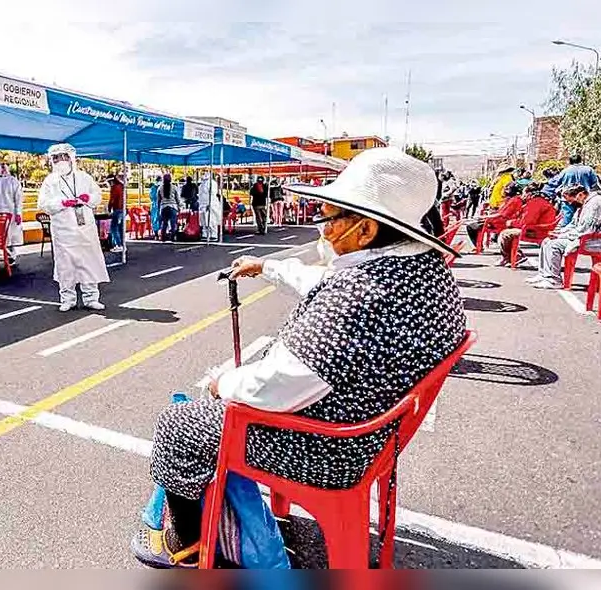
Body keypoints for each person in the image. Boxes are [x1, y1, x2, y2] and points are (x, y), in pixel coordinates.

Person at [132, 147, 466, 568]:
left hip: (327, 445)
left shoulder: (360, 295)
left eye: (330, 219)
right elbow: (320, 280)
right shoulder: (422, 272)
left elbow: (275, 388)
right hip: (373, 433)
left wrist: (223, 382)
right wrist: (267, 267)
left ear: (364, 231)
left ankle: (185, 540)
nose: (323, 231)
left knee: (178, 424)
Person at [36, 143, 109, 312]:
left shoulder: (84, 177)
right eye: (56, 158)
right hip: (63, 230)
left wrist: (87, 197)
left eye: (63, 157)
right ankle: (67, 298)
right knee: (65, 265)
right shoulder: (50, 181)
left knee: (88, 261)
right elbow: (43, 204)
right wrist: (61, 203)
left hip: (85, 229)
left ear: (71, 158)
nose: (60, 160)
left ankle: (91, 297)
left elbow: (97, 196)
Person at [527, 184, 601, 290]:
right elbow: (574, 224)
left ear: (580, 195)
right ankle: (544, 275)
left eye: (570, 200)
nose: (570, 203)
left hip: (596, 239)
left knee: (553, 245)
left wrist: (561, 236)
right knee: (546, 241)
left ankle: (554, 279)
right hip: (587, 236)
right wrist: (560, 233)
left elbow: (586, 230)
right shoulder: (585, 204)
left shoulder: (596, 204)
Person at [495, 182, 557, 267]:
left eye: (524, 193)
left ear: (529, 193)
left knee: (504, 234)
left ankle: (512, 257)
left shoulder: (535, 203)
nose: (522, 196)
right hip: (541, 229)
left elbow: (527, 222)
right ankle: (514, 255)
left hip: (537, 231)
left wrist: (512, 223)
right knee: (508, 231)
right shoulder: (540, 201)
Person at [543, 154, 601, 227]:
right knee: (582, 219)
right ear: (580, 160)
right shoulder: (589, 170)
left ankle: (565, 235)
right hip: (583, 198)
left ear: (570, 161)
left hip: (568, 199)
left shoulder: (565, 171)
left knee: (567, 219)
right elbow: (594, 183)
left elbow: (556, 182)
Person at [0, 162, 25, 265]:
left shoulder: (13, 181)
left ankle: (11, 256)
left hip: (9, 213)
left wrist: (18, 213)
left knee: (9, 236)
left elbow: (18, 199)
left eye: (2, 167)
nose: (0, 169)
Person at [466, 181, 522, 246]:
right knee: (475, 223)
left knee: (470, 226)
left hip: (500, 223)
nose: (504, 190)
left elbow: (502, 214)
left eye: (507, 188)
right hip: (500, 221)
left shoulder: (513, 201)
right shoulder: (513, 199)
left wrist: (485, 217)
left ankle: (478, 246)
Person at [198, 171, 222, 241]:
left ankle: (213, 234)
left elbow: (212, 194)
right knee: (204, 220)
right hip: (203, 204)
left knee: (211, 220)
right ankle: (205, 233)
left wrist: (209, 204)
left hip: (210, 204)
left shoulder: (212, 183)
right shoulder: (202, 184)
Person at [158, 173, 181, 242]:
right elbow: (177, 198)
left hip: (163, 207)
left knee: (164, 223)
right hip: (172, 207)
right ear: (170, 179)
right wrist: (179, 206)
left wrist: (159, 208)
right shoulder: (174, 187)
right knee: (173, 223)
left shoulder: (160, 188)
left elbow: (159, 200)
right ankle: (172, 237)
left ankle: (163, 238)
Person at [108, 172, 126, 253]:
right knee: (120, 228)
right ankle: (123, 245)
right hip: (123, 209)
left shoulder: (114, 187)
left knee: (114, 228)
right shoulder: (122, 186)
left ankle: (118, 245)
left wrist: (109, 208)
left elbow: (112, 199)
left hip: (117, 210)